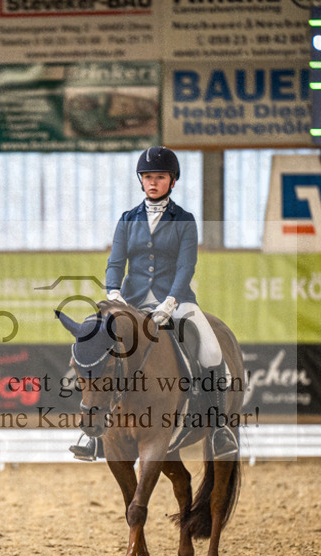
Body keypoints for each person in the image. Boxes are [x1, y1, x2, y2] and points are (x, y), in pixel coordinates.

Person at [70, 146, 236, 461]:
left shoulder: (184, 220)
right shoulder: (128, 219)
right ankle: (90, 432)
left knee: (212, 351)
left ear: (172, 181)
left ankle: (218, 430)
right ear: (141, 180)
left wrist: (171, 302)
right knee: (93, 344)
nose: (153, 182)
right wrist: (114, 291)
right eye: (148, 177)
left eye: (159, 177)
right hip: (130, 301)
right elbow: (115, 261)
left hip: (175, 299)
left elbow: (186, 266)